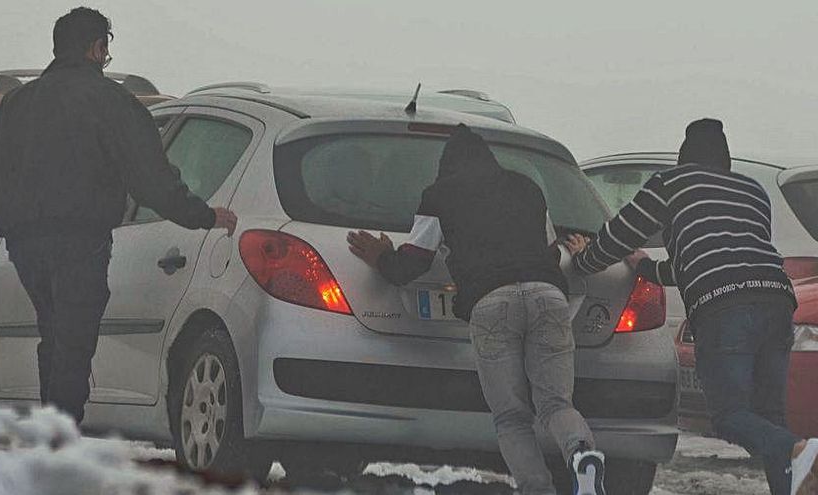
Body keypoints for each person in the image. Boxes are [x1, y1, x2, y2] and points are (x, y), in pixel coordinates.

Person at [0, 7, 238, 424]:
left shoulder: (16, 103)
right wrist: (203, 216)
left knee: (55, 333)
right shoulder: (113, 102)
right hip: (81, 241)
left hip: (24, 246)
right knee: (73, 340)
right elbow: (151, 179)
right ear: (96, 48)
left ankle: (52, 431)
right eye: (106, 50)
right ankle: (59, 436)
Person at [347, 124, 606, 495]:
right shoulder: (527, 189)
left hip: (491, 302)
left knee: (512, 417)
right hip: (548, 296)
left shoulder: (438, 195)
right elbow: (549, 252)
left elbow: (414, 263)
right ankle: (582, 455)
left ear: (446, 165)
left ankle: (538, 489)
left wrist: (383, 257)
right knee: (554, 403)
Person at [570, 118, 818, 495]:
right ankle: (796, 467)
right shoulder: (752, 191)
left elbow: (621, 234)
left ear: (684, 157)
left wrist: (582, 262)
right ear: (726, 159)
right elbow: (709, 256)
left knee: (730, 416)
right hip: (777, 299)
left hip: (724, 306)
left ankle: (802, 450)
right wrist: (647, 268)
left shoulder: (670, 183)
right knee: (771, 418)